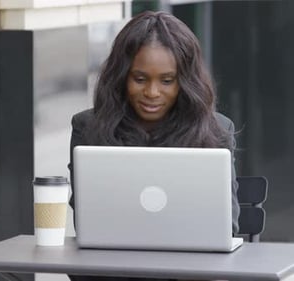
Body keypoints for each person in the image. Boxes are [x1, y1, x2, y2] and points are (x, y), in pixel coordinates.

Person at [67, 10, 240, 281]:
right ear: (121, 77)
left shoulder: (216, 131)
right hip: (112, 273)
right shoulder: (88, 128)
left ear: (185, 83)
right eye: (140, 79)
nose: (152, 92)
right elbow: (88, 223)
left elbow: (226, 228)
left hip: (189, 274)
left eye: (167, 81)